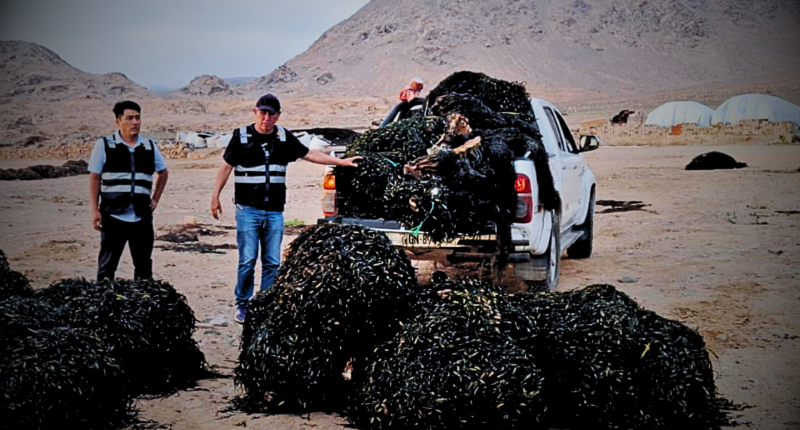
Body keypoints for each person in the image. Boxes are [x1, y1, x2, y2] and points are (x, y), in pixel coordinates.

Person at [210, 94, 360, 324]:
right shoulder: (240, 137)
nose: (266, 118)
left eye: (271, 113)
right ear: (255, 112)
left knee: (271, 261)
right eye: (263, 112)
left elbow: (309, 153)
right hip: (247, 210)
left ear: (278, 115)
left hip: (274, 211)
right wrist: (215, 196)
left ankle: (265, 304)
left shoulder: (283, 137)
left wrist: (340, 162)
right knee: (248, 260)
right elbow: (226, 167)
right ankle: (243, 304)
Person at [89, 100, 169, 281]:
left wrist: (155, 199)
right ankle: (103, 302)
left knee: (143, 266)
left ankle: (144, 302)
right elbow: (95, 177)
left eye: (138, 118)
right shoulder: (104, 145)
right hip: (112, 214)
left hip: (141, 216)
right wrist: (95, 210)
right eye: (130, 118)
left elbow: (163, 173)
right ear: (118, 120)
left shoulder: (149, 146)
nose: (135, 122)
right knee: (107, 266)